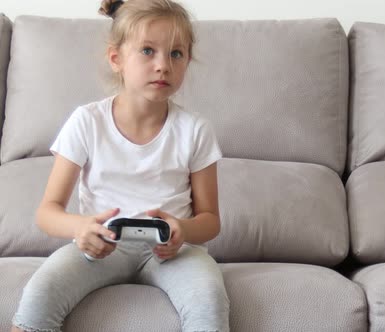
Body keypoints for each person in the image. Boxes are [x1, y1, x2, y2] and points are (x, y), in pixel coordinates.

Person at [11, 0, 230, 331]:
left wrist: (183, 230)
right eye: (147, 51)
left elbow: (210, 221)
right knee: (41, 292)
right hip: (103, 246)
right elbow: (47, 212)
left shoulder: (195, 130)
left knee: (209, 298)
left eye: (176, 54)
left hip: (174, 250)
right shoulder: (86, 122)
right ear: (116, 59)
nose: (163, 66)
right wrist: (80, 229)